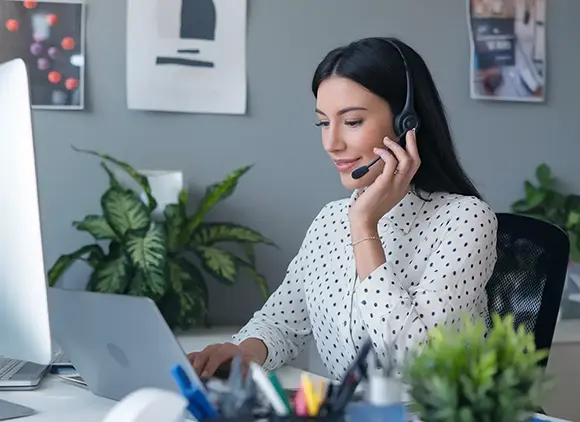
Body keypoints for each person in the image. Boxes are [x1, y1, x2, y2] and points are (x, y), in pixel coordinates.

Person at [188, 36, 498, 380]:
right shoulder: (330, 221)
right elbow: (283, 322)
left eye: (351, 122)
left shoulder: (465, 219)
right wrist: (243, 352)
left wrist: (364, 228)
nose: (331, 143)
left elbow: (418, 365)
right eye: (323, 122)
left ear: (407, 124)